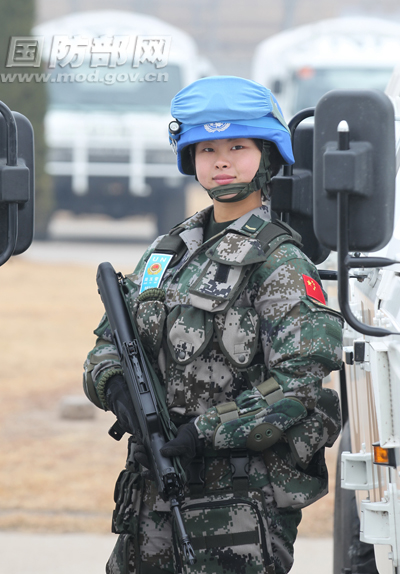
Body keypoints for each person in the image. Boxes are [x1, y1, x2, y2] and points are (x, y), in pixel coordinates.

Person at [83, 76, 343, 574]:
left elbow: (300, 383)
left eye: (237, 146)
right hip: (150, 495)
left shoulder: (280, 261)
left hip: (238, 504)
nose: (221, 160)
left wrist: (206, 431)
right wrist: (113, 384)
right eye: (207, 148)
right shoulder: (167, 252)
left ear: (267, 155)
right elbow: (107, 342)